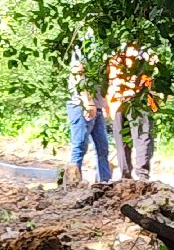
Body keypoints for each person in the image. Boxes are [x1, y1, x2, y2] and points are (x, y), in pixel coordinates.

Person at [106, 44, 159, 180]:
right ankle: (141, 175)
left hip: (117, 102)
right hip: (137, 101)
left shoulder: (115, 58)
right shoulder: (145, 56)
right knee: (142, 137)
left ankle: (126, 175)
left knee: (123, 140)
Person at [65, 45, 111, 185]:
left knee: (103, 147)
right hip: (80, 106)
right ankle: (73, 183)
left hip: (96, 107)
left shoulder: (103, 51)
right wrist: (87, 101)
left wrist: (104, 104)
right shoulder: (84, 50)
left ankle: (104, 182)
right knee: (80, 146)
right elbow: (77, 74)